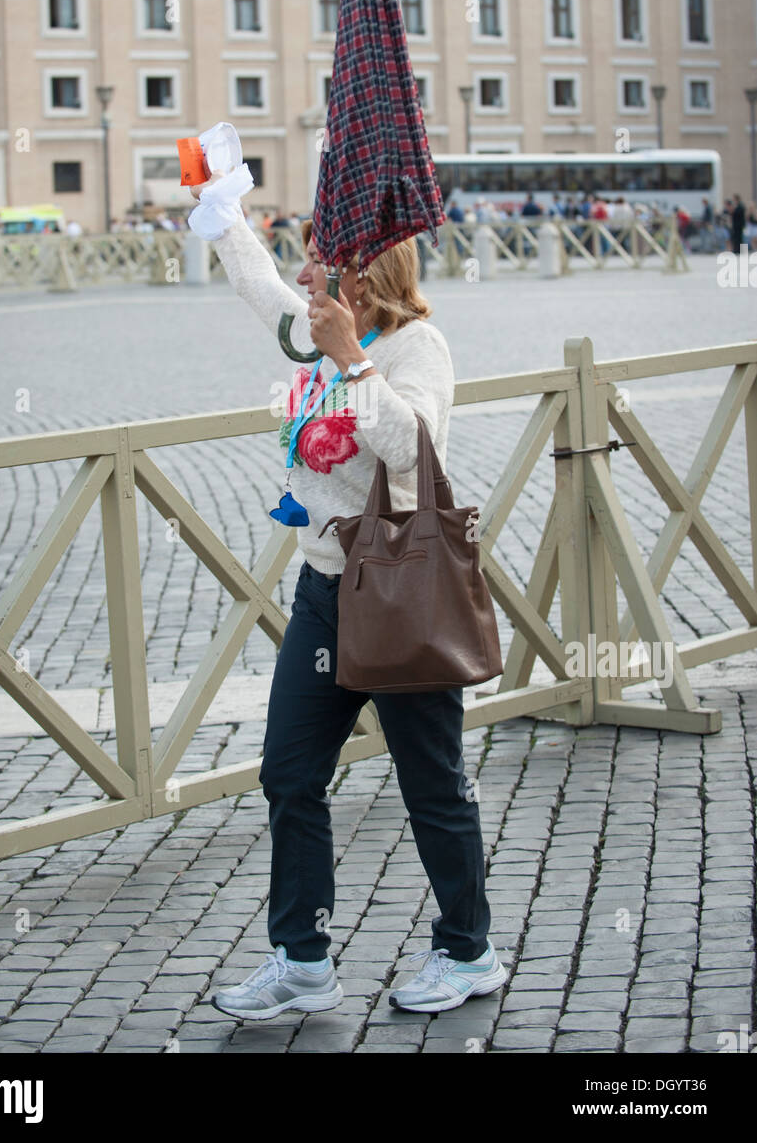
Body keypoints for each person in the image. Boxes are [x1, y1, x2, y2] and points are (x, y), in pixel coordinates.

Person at [188, 167, 506, 1020]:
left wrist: (351, 359)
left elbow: (412, 452)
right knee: (289, 775)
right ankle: (301, 959)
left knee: (430, 782)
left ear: (362, 276)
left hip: (401, 589)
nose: (304, 279)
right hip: (326, 591)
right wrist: (223, 210)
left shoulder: (413, 349)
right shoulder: (316, 325)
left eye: (321, 265)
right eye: (306, 264)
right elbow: (260, 287)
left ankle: (467, 951)